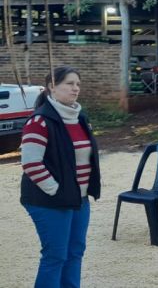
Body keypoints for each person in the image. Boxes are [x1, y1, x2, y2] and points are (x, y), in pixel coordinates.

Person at [20, 66, 101, 287]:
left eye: (78, 84)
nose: (75, 89)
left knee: (75, 253)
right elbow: (31, 163)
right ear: (51, 87)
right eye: (69, 84)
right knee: (55, 256)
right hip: (50, 200)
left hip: (78, 200)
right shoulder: (40, 121)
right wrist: (56, 190)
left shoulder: (80, 118)